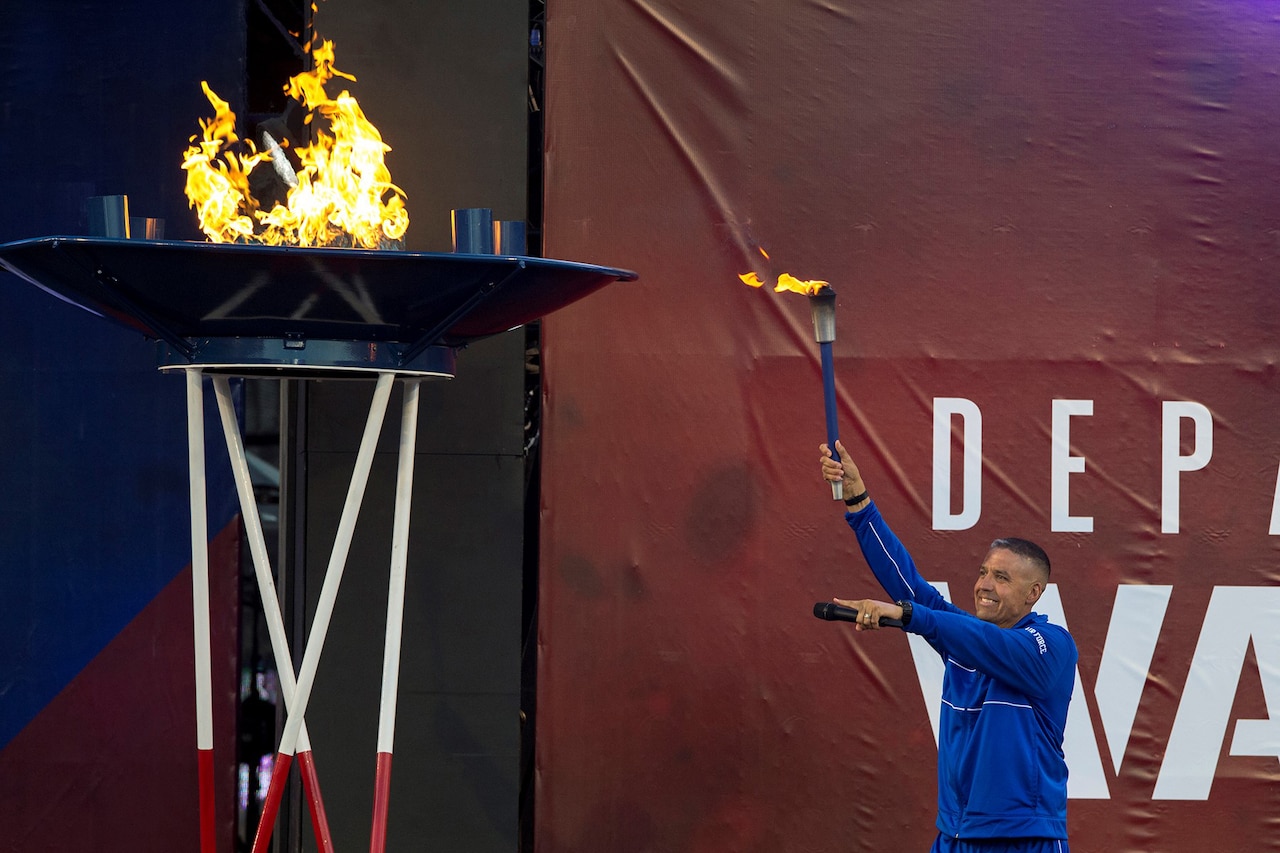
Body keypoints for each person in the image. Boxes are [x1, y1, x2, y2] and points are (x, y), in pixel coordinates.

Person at [820, 440, 1075, 853]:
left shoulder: (1051, 646)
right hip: (955, 837)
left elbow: (976, 637)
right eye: (983, 572)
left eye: (1002, 578)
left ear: (1034, 593)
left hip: (1024, 840)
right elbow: (910, 587)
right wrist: (858, 502)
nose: (984, 586)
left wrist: (908, 616)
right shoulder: (963, 639)